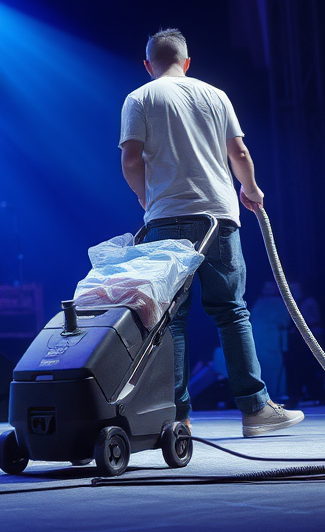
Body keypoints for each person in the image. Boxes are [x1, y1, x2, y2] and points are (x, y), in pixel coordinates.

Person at [119, 28, 304, 437]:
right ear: (187, 62)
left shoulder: (140, 97)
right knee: (232, 312)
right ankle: (255, 411)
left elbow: (131, 161)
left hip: (165, 223)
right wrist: (251, 189)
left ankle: (176, 418)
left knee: (171, 321)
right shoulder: (215, 95)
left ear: (148, 65)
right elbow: (238, 152)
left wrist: (145, 197)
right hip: (217, 219)